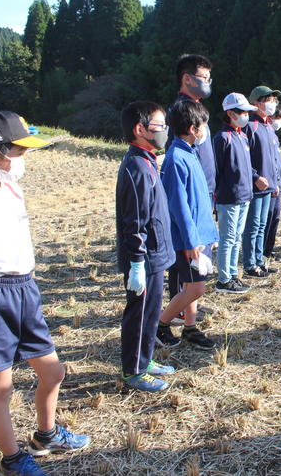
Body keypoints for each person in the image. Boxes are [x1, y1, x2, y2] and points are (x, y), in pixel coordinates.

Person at [0, 111, 90, 476]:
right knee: (1, 389)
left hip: (25, 289)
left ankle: (46, 435)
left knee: (53, 372)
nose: (24, 159)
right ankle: (12, 459)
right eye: (19, 151)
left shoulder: (11, 189)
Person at [115, 101, 177, 393]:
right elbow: (135, 220)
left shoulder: (148, 160)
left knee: (151, 312)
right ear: (140, 129)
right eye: (159, 126)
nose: (164, 131)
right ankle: (134, 370)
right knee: (139, 314)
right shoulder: (137, 167)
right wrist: (137, 262)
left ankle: (145, 358)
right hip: (145, 256)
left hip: (156, 252)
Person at [155, 101, 220, 351]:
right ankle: (160, 326)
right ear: (193, 129)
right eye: (204, 125)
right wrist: (191, 241)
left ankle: (190, 328)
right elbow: (179, 206)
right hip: (189, 240)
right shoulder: (176, 158)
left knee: (191, 286)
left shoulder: (189, 152)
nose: (205, 130)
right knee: (195, 288)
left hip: (200, 235)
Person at [166, 54, 216, 326]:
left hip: (203, 195)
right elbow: (178, 200)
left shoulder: (197, 110)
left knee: (197, 274)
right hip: (191, 201)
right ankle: (174, 310)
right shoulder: (180, 111)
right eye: (203, 77)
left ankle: (189, 317)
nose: (208, 82)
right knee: (187, 269)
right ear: (187, 78)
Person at [213, 93, 256, 293]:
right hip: (229, 197)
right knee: (228, 238)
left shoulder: (242, 135)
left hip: (244, 195)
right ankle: (223, 280)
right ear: (230, 113)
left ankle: (232, 274)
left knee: (237, 237)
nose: (246, 115)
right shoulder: (222, 138)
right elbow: (216, 170)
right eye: (243, 112)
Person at [242, 86, 281, 277]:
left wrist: (275, 183)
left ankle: (259, 261)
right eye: (268, 100)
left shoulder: (269, 127)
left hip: (269, 187)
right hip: (255, 186)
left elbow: (274, 159)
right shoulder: (250, 126)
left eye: (274, 100)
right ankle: (250, 265)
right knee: (253, 225)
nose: (273, 104)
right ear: (256, 103)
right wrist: (255, 177)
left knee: (262, 225)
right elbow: (243, 158)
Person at [264, 103, 281, 264]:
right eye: (275, 117)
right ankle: (261, 253)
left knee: (274, 219)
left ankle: (268, 251)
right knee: (265, 221)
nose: (278, 121)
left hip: (278, 186)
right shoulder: (263, 134)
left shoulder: (274, 137)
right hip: (269, 187)